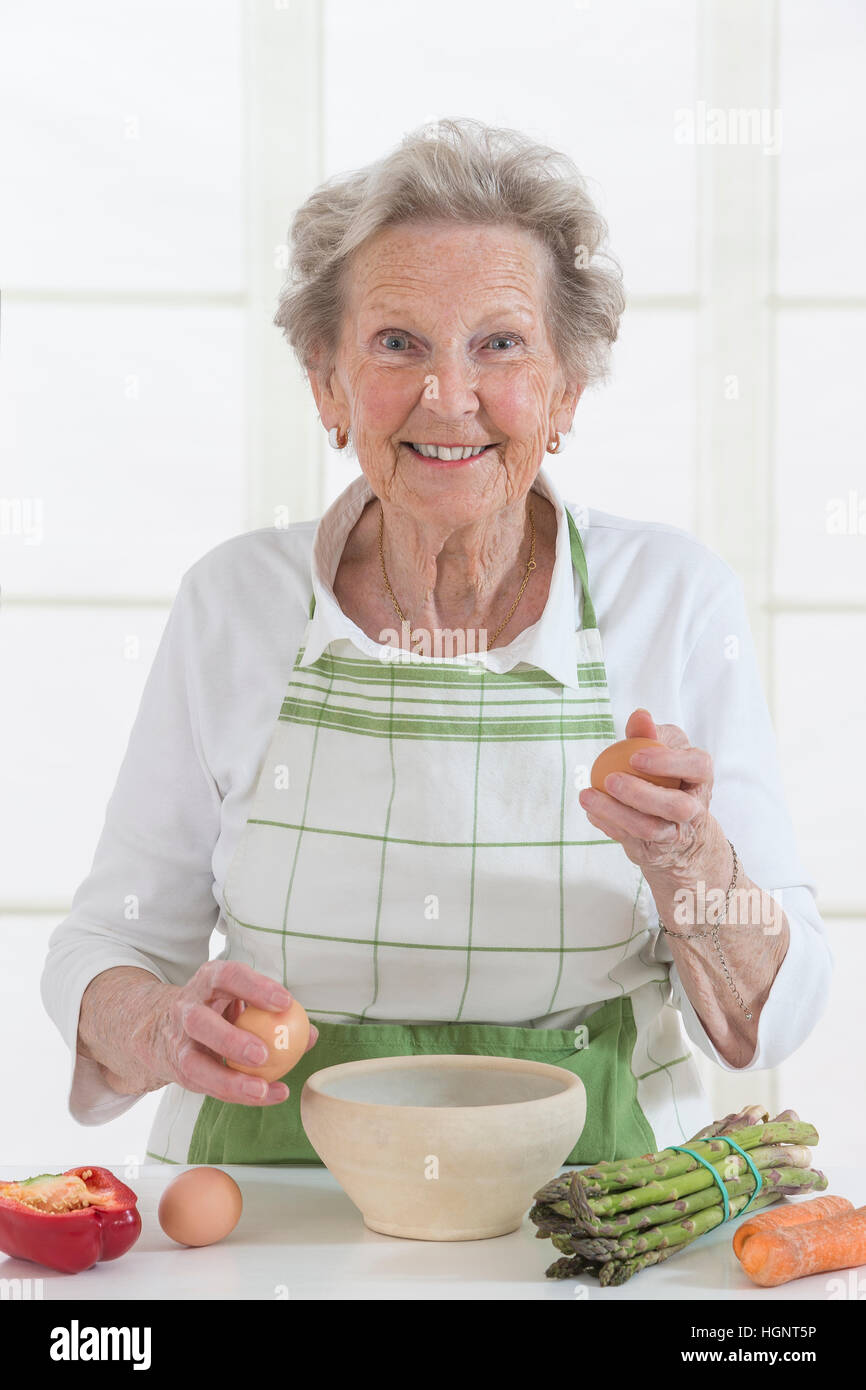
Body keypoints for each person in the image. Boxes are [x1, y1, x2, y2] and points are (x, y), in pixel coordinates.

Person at [41, 119, 831, 1165]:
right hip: (269, 1215)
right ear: (328, 385)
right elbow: (110, 942)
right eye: (395, 343)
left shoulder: (670, 598)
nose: (446, 395)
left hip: (589, 1214)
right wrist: (155, 1025)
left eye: (499, 344)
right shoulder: (233, 603)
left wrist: (688, 859)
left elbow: (767, 1021)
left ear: (563, 392)